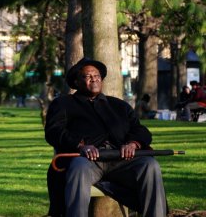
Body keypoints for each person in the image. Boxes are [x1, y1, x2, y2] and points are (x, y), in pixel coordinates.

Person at [45, 57, 166, 217]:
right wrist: (80, 145)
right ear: (76, 81)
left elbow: (140, 130)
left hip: (121, 160)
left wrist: (133, 144)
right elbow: (54, 131)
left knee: (149, 164)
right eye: (87, 76)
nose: (94, 79)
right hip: (86, 160)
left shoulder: (119, 105)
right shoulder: (63, 104)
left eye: (96, 76)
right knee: (78, 167)